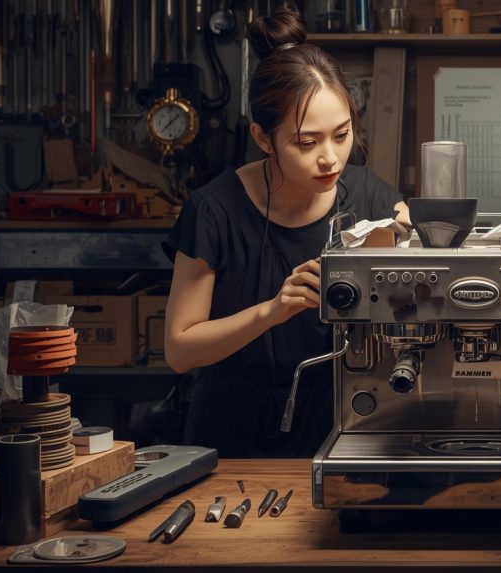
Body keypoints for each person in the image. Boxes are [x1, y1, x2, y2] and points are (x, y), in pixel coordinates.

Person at [162, 7, 408, 457]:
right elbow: (179, 350)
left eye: (342, 134)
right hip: (231, 430)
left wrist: (411, 252)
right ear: (262, 137)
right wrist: (272, 311)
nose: (331, 159)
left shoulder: (373, 201)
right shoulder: (215, 211)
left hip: (338, 424)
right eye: (306, 143)